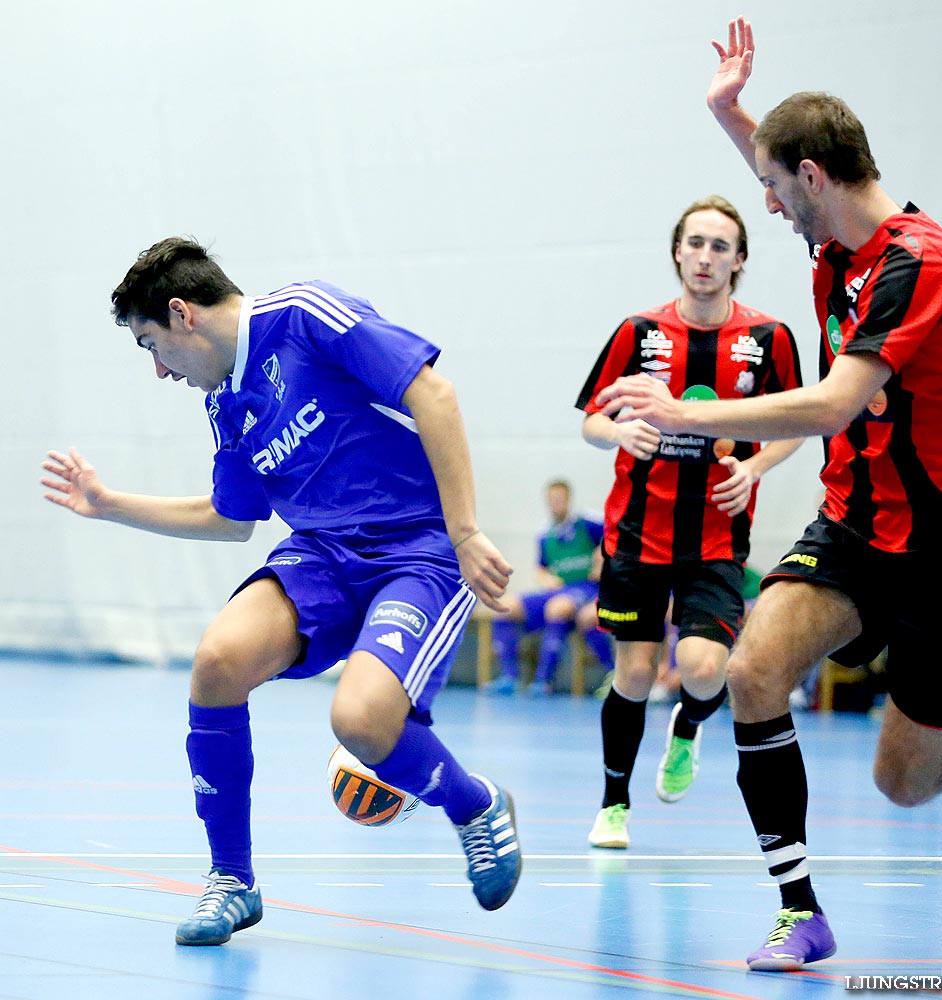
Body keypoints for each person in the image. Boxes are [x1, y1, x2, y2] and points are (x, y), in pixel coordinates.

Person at [594, 18, 942, 971]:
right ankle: (799, 910)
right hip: (857, 520)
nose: (769, 209)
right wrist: (730, 116)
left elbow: (839, 400)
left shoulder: (916, 262)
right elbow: (787, 169)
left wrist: (689, 412)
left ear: (814, 179)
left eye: (775, 187)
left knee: (906, 779)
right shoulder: (837, 243)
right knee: (752, 669)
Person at [40, 238, 522, 946]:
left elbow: (433, 393)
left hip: (416, 548)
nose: (158, 370)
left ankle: (473, 805)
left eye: (152, 345)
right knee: (216, 662)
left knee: (361, 721)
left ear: (183, 316)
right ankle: (232, 879)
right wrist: (110, 503)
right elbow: (232, 519)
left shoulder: (304, 315)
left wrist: (465, 530)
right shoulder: (224, 402)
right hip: (321, 556)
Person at [576, 193, 805, 849]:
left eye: (720, 246)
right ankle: (614, 803)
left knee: (707, 669)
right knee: (635, 674)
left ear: (739, 261)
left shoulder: (767, 339)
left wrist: (755, 469)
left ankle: (689, 724)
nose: (706, 257)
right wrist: (617, 434)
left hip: (715, 538)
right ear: (678, 251)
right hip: (636, 534)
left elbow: (798, 422)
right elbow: (592, 419)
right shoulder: (636, 333)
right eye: (695, 243)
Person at [485, 479, 613, 696]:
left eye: (560, 499)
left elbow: (615, 531)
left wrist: (603, 558)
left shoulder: (587, 523)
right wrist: (545, 578)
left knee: (557, 607)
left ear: (568, 499)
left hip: (587, 589)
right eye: (552, 500)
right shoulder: (546, 533)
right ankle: (510, 676)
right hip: (559, 591)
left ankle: (543, 680)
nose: (556, 504)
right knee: (504, 607)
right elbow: (541, 567)